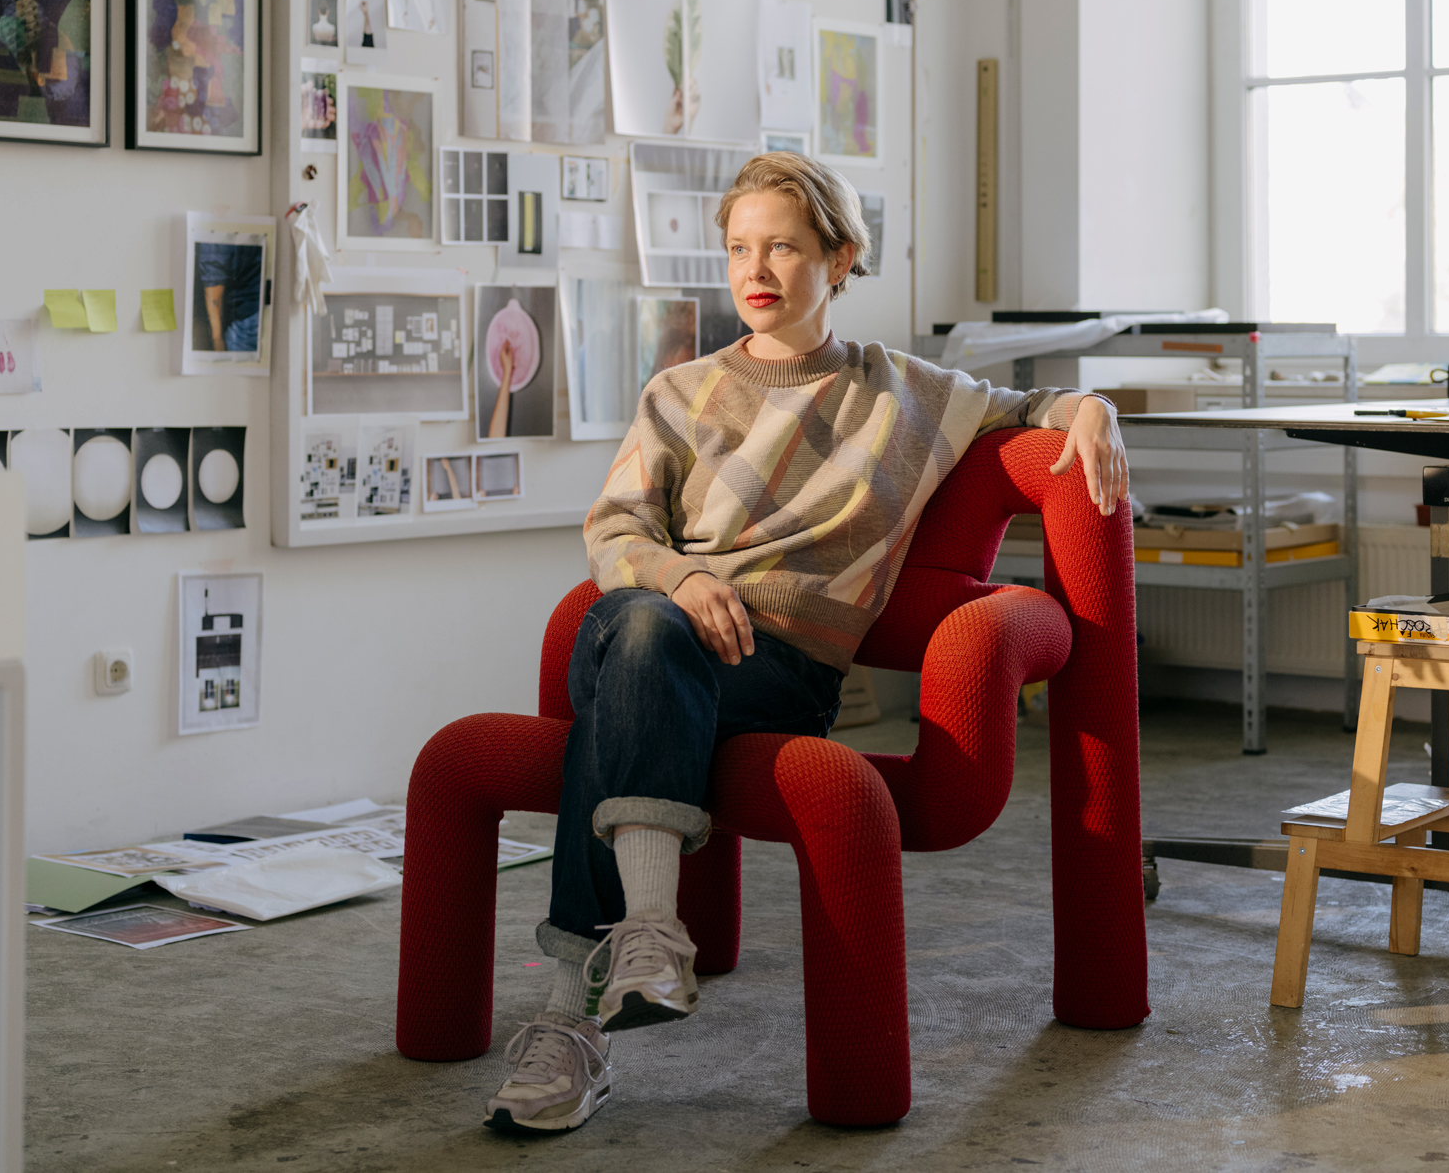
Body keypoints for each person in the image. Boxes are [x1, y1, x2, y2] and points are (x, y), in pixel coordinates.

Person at [482, 153, 1128, 1135]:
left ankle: (569, 1021)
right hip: (652, 628)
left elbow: (1031, 412)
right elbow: (615, 530)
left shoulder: (901, 392)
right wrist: (684, 578)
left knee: (613, 713)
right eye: (740, 248)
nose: (756, 269)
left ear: (839, 258)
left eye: (782, 246)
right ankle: (647, 933)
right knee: (644, 631)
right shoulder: (680, 391)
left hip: (777, 671)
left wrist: (1094, 408)